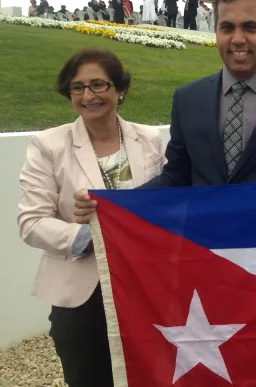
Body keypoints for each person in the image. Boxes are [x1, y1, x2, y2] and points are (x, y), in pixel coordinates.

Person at [74, 0, 256, 221]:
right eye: (227, 27)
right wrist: (115, 204)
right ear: (216, 32)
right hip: (204, 256)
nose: (238, 39)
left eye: (250, 27)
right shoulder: (188, 100)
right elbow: (176, 177)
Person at [17, 49, 164, 387]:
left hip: (145, 288)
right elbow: (31, 222)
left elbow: (160, 202)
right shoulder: (48, 145)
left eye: (98, 84)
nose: (88, 96)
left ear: (119, 89)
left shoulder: (150, 140)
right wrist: (90, 233)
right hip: (82, 295)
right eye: (77, 88)